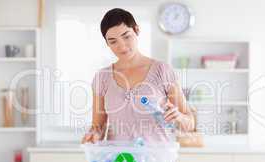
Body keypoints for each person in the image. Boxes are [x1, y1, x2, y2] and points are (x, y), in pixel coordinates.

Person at [82, 8, 195, 144]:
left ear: (137, 30)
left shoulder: (162, 71)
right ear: (107, 43)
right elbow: (98, 126)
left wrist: (178, 117)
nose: (122, 46)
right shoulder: (102, 78)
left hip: (157, 161)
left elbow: (190, 124)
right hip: (120, 161)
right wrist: (93, 135)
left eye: (126, 36)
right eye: (113, 41)